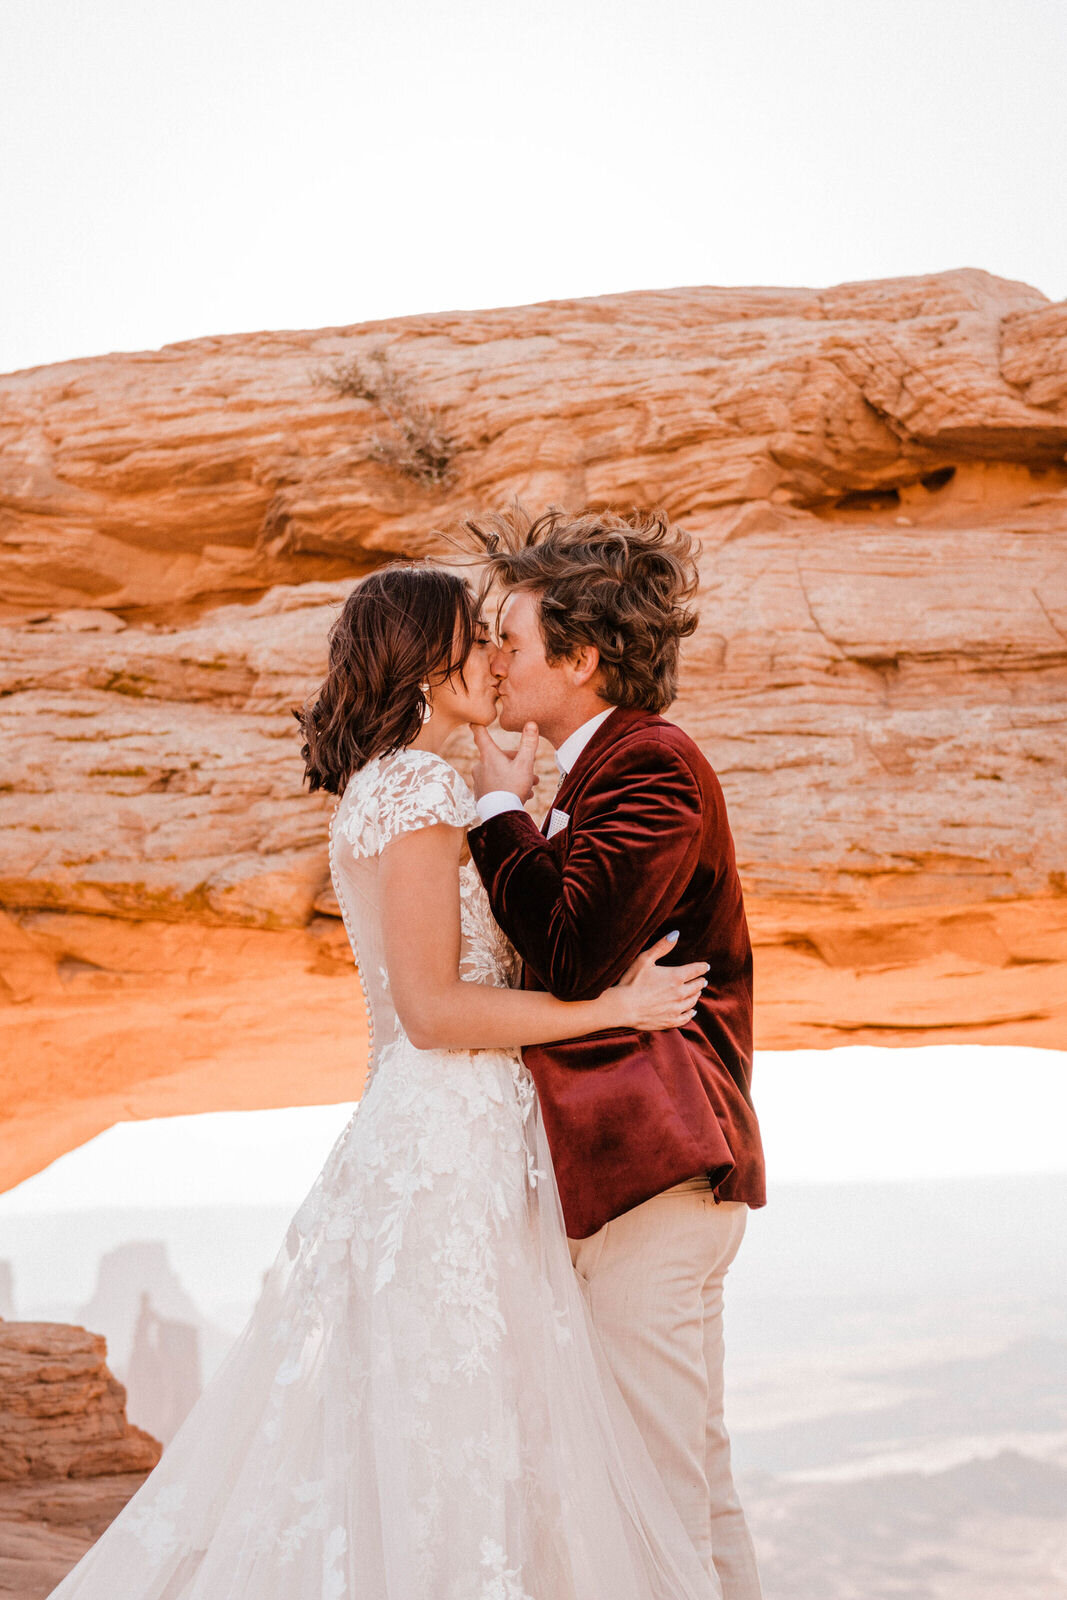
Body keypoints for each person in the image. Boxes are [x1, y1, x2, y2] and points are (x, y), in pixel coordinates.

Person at [48, 562, 719, 1600]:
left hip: (446, 1133)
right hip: (447, 1141)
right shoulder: (414, 790)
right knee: (458, 1426)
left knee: (458, 1422)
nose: (493, 656)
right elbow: (434, 1010)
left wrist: (511, 808)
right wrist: (608, 1008)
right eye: (474, 636)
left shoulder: (408, 788)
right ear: (424, 661)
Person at [464, 507, 766, 1600]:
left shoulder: (651, 766)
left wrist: (499, 807)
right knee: (691, 1479)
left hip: (653, 1172)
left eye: (510, 636)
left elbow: (569, 950)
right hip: (643, 1182)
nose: (491, 657)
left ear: (582, 658)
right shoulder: (606, 769)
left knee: (649, 1488)